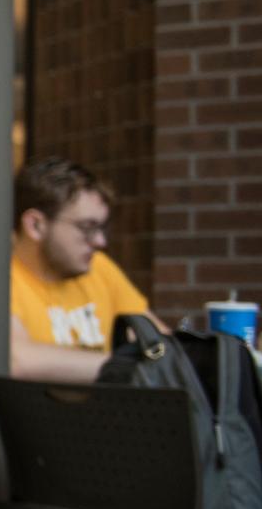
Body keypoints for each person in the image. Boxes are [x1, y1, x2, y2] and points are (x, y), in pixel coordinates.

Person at [8, 157, 158, 383]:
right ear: (35, 225)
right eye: (87, 228)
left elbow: (159, 346)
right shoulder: (1, 276)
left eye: (101, 228)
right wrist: (127, 367)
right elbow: (18, 360)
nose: (100, 241)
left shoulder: (99, 267)